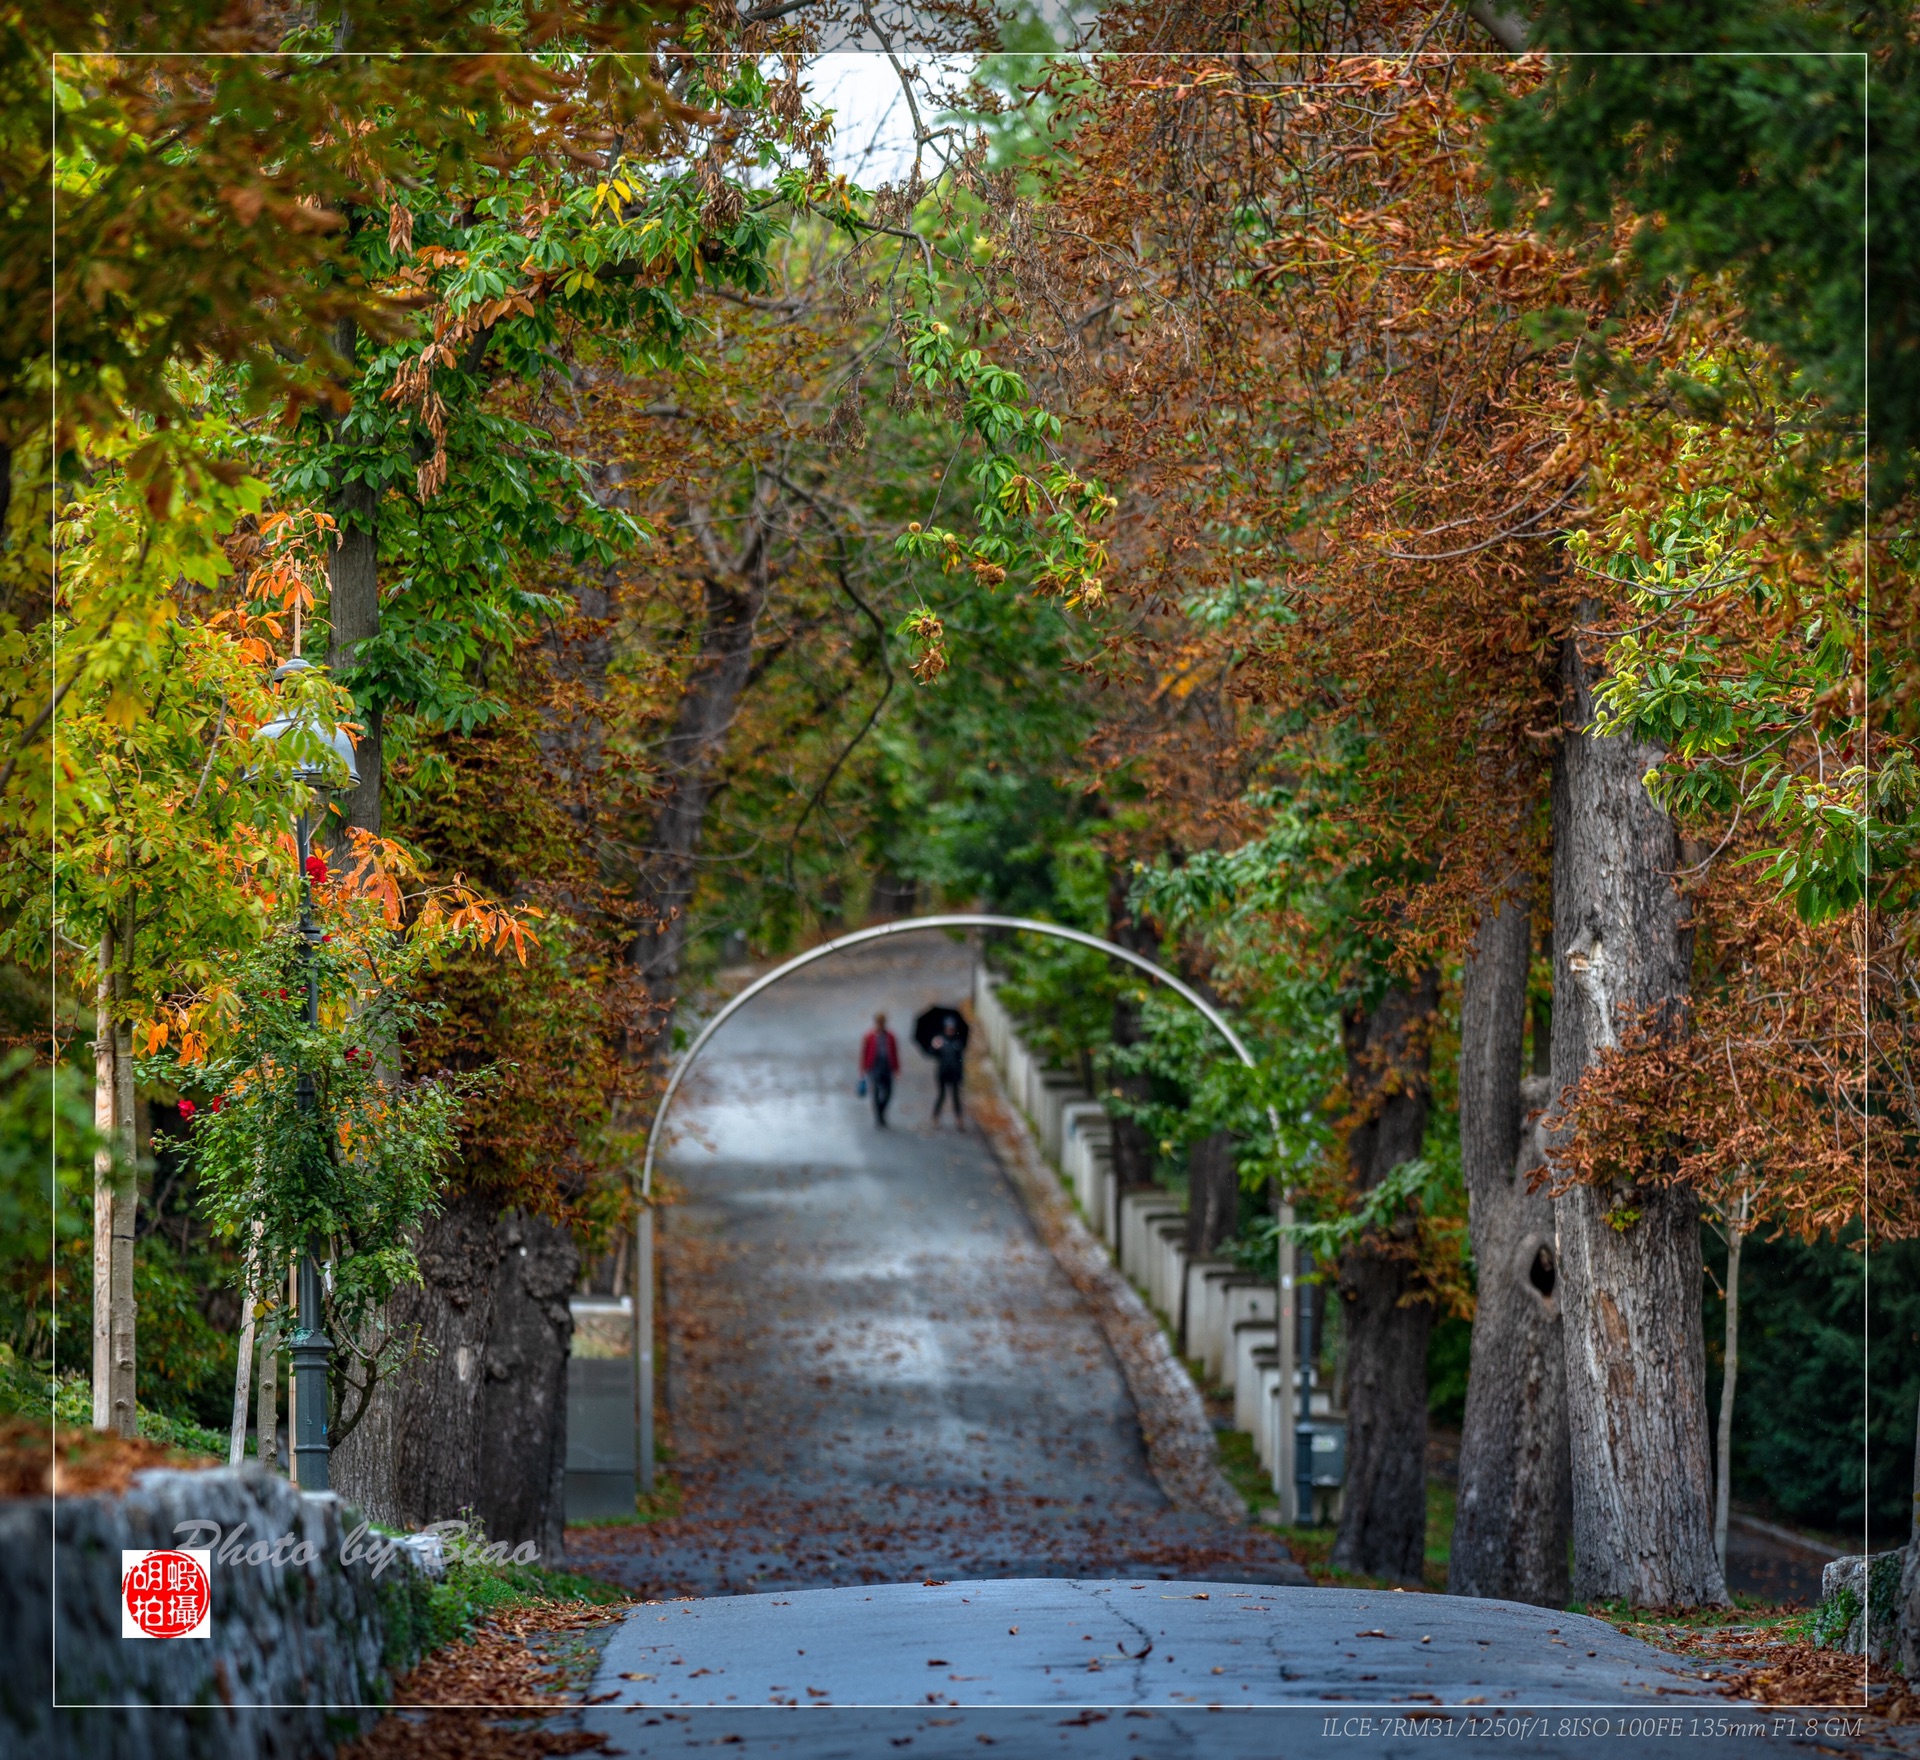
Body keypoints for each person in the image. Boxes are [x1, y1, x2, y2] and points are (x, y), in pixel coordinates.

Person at [859, 1012, 900, 1126]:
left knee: (888, 1092)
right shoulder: (869, 1036)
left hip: (887, 1067)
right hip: (874, 1067)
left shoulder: (890, 1036)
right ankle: (878, 1116)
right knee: (876, 1091)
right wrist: (863, 1069)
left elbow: (894, 1053)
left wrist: (896, 1069)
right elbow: (864, 1053)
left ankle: (881, 1111)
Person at [930, 1008, 969, 1127]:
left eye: (952, 1028)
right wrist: (935, 1047)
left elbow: (961, 1059)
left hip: (955, 1073)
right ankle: (935, 1117)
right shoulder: (940, 1040)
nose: (950, 1030)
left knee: (956, 1096)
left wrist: (961, 1074)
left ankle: (959, 1119)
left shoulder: (958, 1042)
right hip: (943, 1072)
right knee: (941, 1095)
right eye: (948, 1028)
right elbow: (933, 1054)